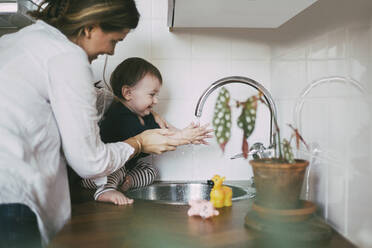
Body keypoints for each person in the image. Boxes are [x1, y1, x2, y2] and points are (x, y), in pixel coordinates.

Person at [0, 0, 210, 246]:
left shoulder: (19, 42)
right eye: (115, 41)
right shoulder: (67, 57)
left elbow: (78, 101)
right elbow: (90, 162)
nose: (111, 52)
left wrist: (140, 109)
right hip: (12, 200)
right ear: (91, 26)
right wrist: (139, 143)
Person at [81, 57, 212, 205]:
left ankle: (127, 182)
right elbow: (163, 138)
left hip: (123, 170)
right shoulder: (120, 115)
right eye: (152, 94)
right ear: (128, 93)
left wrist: (187, 134)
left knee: (150, 170)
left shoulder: (144, 115)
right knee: (116, 168)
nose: (156, 100)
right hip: (97, 175)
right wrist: (184, 137)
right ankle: (104, 190)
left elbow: (166, 130)